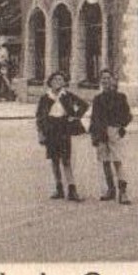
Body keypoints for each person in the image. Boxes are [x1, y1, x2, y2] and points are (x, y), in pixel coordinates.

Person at [35, 72, 89, 201]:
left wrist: (75, 116)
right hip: (50, 128)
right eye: (55, 79)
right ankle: (58, 187)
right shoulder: (45, 97)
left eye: (61, 80)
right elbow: (39, 117)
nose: (58, 82)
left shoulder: (67, 95)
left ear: (64, 82)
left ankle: (71, 189)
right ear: (50, 82)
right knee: (54, 159)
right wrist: (40, 133)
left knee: (66, 159)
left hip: (64, 128)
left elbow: (84, 105)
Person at [89, 69, 132, 204]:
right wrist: (94, 136)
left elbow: (127, 115)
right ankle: (110, 189)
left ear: (113, 80)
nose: (105, 81)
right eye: (103, 78)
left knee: (117, 161)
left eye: (108, 78)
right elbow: (94, 118)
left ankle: (123, 191)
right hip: (101, 132)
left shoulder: (120, 97)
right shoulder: (97, 99)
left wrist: (120, 127)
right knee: (105, 161)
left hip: (114, 131)